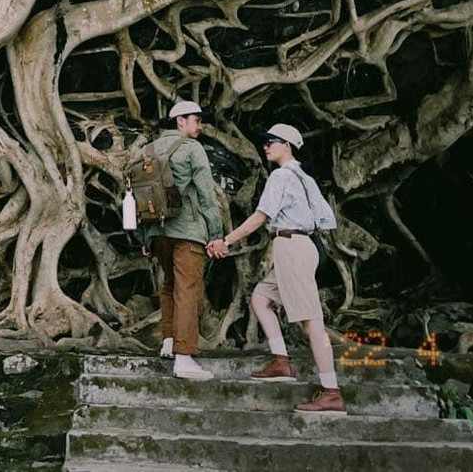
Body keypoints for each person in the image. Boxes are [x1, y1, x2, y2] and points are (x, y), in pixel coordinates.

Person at [205, 123, 344, 414]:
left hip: (293, 245)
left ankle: (331, 392)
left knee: (311, 321)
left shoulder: (282, 176)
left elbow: (260, 217)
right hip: (300, 246)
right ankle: (282, 361)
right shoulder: (303, 177)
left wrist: (226, 241)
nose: (266, 146)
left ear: (288, 146)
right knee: (260, 298)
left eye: (272, 141)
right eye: (266, 142)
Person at [144, 99, 224, 381]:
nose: (199, 126)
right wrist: (216, 234)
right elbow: (207, 197)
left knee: (169, 285)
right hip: (187, 231)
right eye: (196, 120)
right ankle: (185, 358)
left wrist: (145, 237)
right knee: (188, 290)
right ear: (180, 120)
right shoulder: (192, 149)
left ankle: (169, 341)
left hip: (157, 233)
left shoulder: (147, 149)